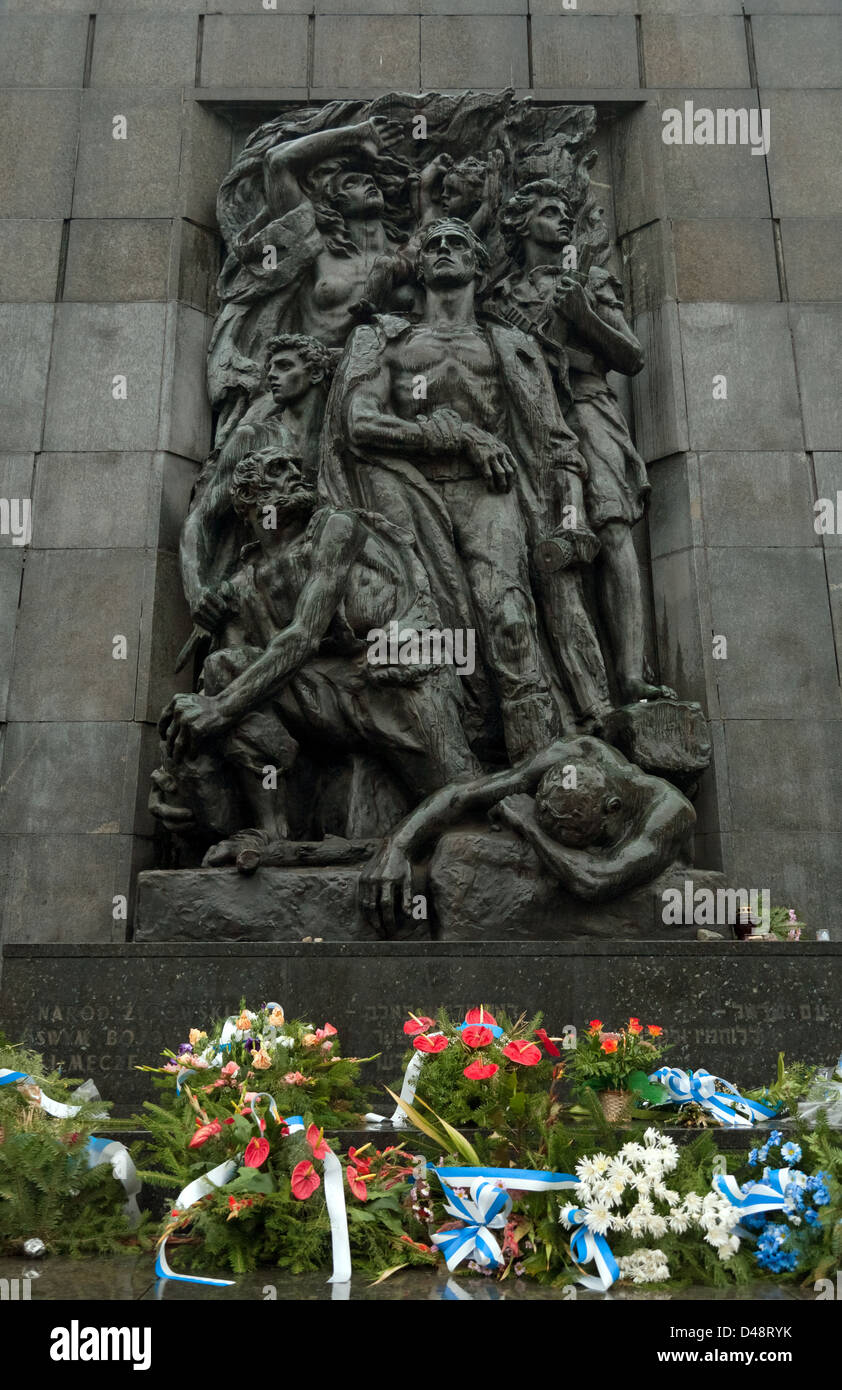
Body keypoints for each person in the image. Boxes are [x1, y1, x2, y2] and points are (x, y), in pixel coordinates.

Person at [320, 216, 609, 761]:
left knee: (508, 616)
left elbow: (555, 441)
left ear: (478, 264)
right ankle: (452, 764)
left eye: (458, 244)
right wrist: (451, 435)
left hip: (490, 492)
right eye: (434, 246)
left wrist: (572, 518)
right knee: (417, 628)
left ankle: (539, 766)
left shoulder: (511, 343)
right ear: (421, 266)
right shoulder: (383, 337)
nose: (446, 251)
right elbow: (358, 422)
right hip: (403, 491)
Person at [156, 445, 480, 851]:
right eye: (277, 468)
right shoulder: (245, 582)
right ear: (247, 498)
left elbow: (304, 635)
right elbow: (215, 692)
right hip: (328, 695)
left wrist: (219, 710)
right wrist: (176, 777)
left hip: (397, 682)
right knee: (223, 670)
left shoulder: (337, 528)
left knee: (467, 806)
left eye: (295, 465)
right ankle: (271, 836)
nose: (294, 472)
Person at [487, 180, 674, 703]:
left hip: (588, 407)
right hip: (525, 422)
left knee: (613, 530)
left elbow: (631, 357)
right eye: (549, 212)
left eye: (567, 213)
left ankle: (631, 673)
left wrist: (584, 317)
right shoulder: (499, 298)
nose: (562, 220)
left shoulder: (588, 279)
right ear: (522, 225)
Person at [359, 735, 695, 935]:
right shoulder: (574, 753)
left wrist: (528, 825)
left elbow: (595, 880)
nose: (560, 837)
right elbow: (463, 796)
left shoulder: (670, 813)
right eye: (547, 822)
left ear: (612, 808)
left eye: (570, 831)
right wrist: (399, 844)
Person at [208, 115, 410, 445]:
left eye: (370, 180)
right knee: (243, 446)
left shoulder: (410, 255)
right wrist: (357, 135)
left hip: (384, 387)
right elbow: (277, 161)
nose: (368, 184)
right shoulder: (314, 247)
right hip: (308, 385)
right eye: (352, 183)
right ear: (334, 203)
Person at [179, 333, 336, 646]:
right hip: (264, 588)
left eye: (284, 366)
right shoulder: (254, 437)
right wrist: (198, 590)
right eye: (270, 368)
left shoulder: (341, 438)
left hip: (330, 582)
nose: (272, 375)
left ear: (316, 373)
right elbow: (202, 517)